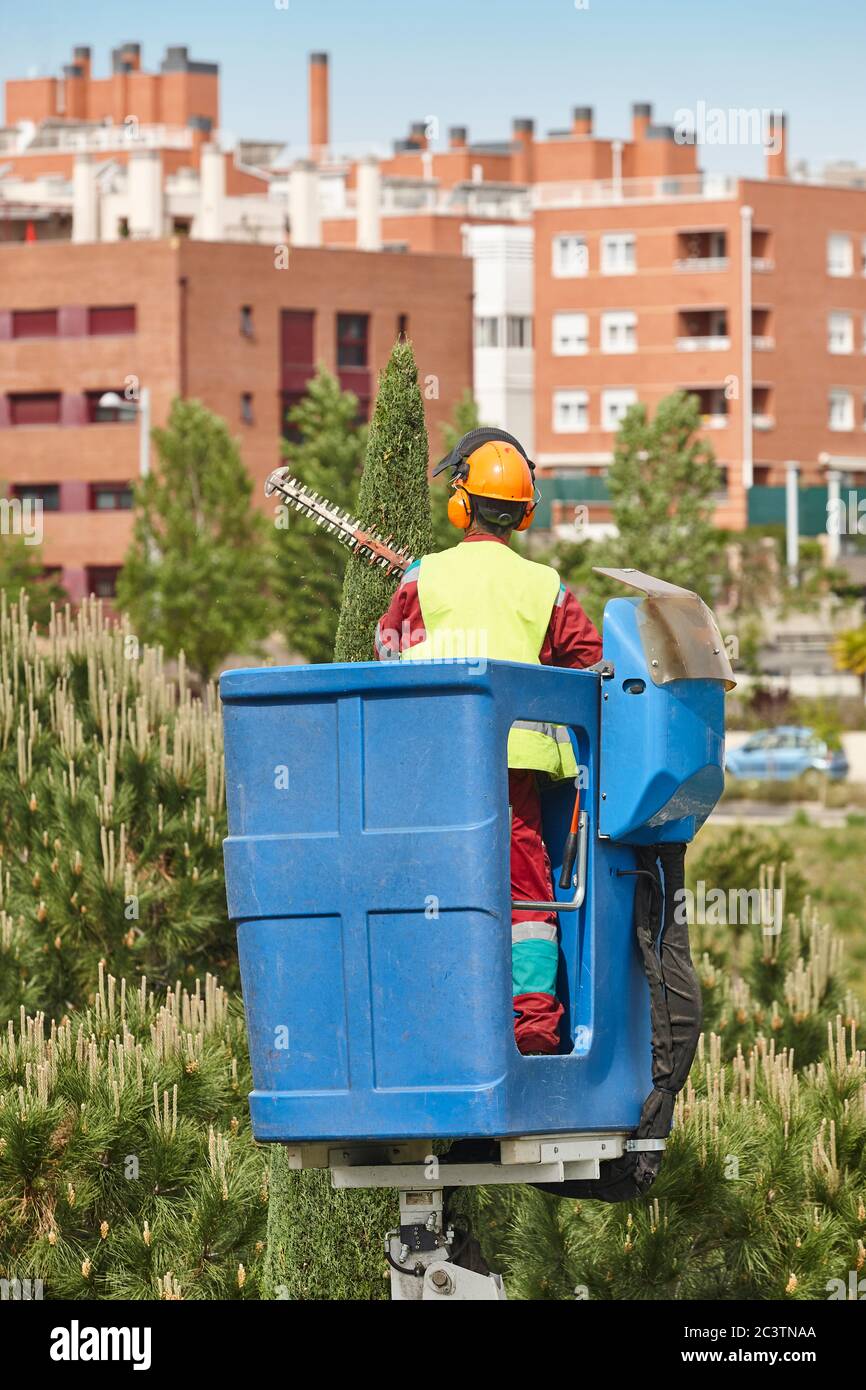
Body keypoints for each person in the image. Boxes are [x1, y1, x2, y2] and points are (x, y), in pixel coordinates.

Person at [373, 428, 602, 1055]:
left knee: (435, 885)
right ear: (524, 514)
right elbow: (592, 664)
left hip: (436, 768)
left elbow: (387, 653)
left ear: (460, 503)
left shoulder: (424, 577)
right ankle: (531, 1027)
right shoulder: (545, 585)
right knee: (527, 895)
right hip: (514, 774)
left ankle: (437, 1018)